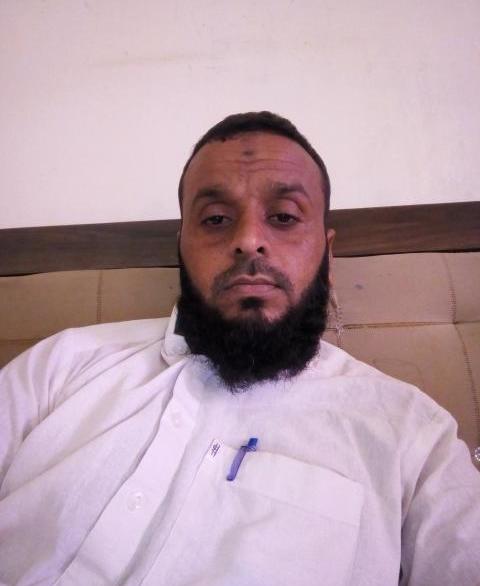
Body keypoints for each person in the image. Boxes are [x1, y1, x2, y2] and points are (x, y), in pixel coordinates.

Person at [0, 111, 479, 586]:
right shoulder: (59, 366)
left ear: (328, 255)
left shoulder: (411, 434)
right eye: (215, 219)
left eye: (284, 217)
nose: (248, 240)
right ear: (181, 247)